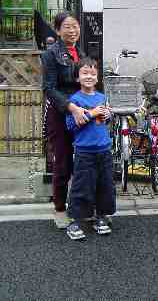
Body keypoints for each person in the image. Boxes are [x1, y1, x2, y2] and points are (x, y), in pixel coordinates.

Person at [41, 12, 87, 229]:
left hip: (81, 110)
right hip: (61, 113)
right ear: (58, 30)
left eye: (75, 26)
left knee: (85, 161)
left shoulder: (80, 52)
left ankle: (81, 205)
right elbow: (49, 88)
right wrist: (71, 107)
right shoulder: (51, 54)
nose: (72, 30)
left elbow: (88, 80)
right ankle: (60, 208)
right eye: (67, 27)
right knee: (63, 161)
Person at [65, 57, 116, 240]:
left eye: (93, 73)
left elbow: (105, 122)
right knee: (81, 186)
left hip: (104, 149)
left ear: (97, 77)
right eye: (85, 73)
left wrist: (108, 115)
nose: (89, 76)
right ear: (77, 78)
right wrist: (91, 113)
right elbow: (71, 125)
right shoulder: (74, 100)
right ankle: (75, 221)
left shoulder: (102, 97)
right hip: (84, 151)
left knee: (105, 184)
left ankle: (101, 217)